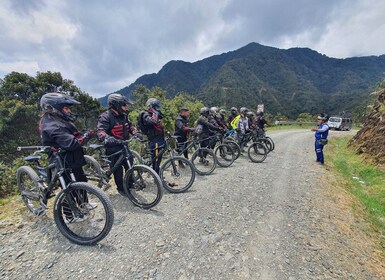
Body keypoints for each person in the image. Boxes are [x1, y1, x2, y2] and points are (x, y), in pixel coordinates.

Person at [40, 92, 94, 219]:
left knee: (81, 181)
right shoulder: (52, 125)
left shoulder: (60, 120)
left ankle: (83, 205)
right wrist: (87, 136)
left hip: (73, 159)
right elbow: (71, 143)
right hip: (62, 161)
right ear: (53, 108)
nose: (69, 111)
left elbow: (73, 134)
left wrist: (82, 135)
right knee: (67, 188)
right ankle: (70, 216)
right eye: (66, 108)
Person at [97, 93, 139, 196]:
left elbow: (130, 126)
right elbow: (100, 131)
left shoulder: (123, 115)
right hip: (113, 148)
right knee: (118, 170)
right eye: (124, 105)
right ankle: (121, 188)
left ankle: (130, 183)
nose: (126, 107)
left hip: (124, 145)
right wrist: (108, 138)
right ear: (116, 105)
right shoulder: (106, 116)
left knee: (130, 165)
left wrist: (135, 132)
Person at [140, 98, 165, 174]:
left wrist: (157, 112)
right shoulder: (146, 115)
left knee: (158, 158)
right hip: (155, 140)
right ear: (151, 107)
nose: (157, 109)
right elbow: (153, 121)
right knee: (156, 160)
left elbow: (162, 116)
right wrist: (154, 112)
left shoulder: (154, 114)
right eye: (156, 107)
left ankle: (156, 173)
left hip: (159, 139)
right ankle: (156, 177)